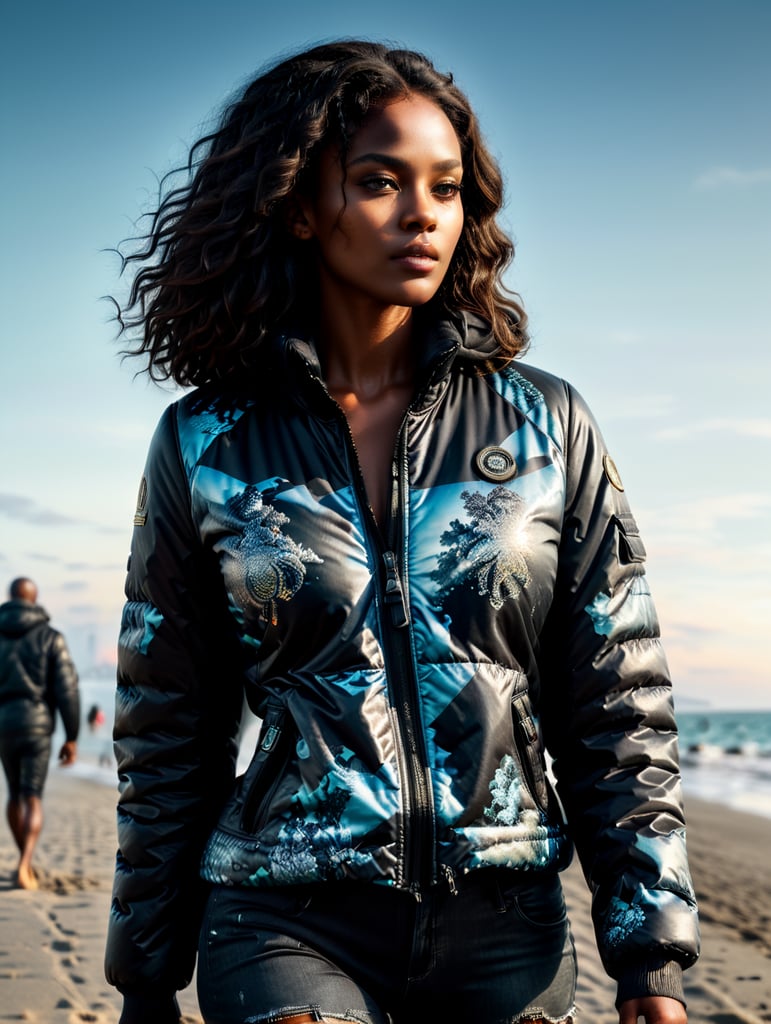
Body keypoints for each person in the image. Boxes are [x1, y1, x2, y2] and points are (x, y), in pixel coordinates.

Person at [104, 41, 700, 1024]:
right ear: (301, 203)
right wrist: (146, 973)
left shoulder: (545, 425)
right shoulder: (206, 442)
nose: (422, 213)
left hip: (504, 918)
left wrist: (651, 956)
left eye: (445, 187)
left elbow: (616, 696)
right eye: (380, 182)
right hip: (283, 909)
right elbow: (168, 723)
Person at [0, 577, 79, 889]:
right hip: (37, 727)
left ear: (10, 597)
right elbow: (67, 689)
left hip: (4, 726)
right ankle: (25, 864)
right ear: (34, 600)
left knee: (14, 794)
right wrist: (72, 736)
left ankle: (25, 862)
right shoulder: (51, 637)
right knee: (32, 796)